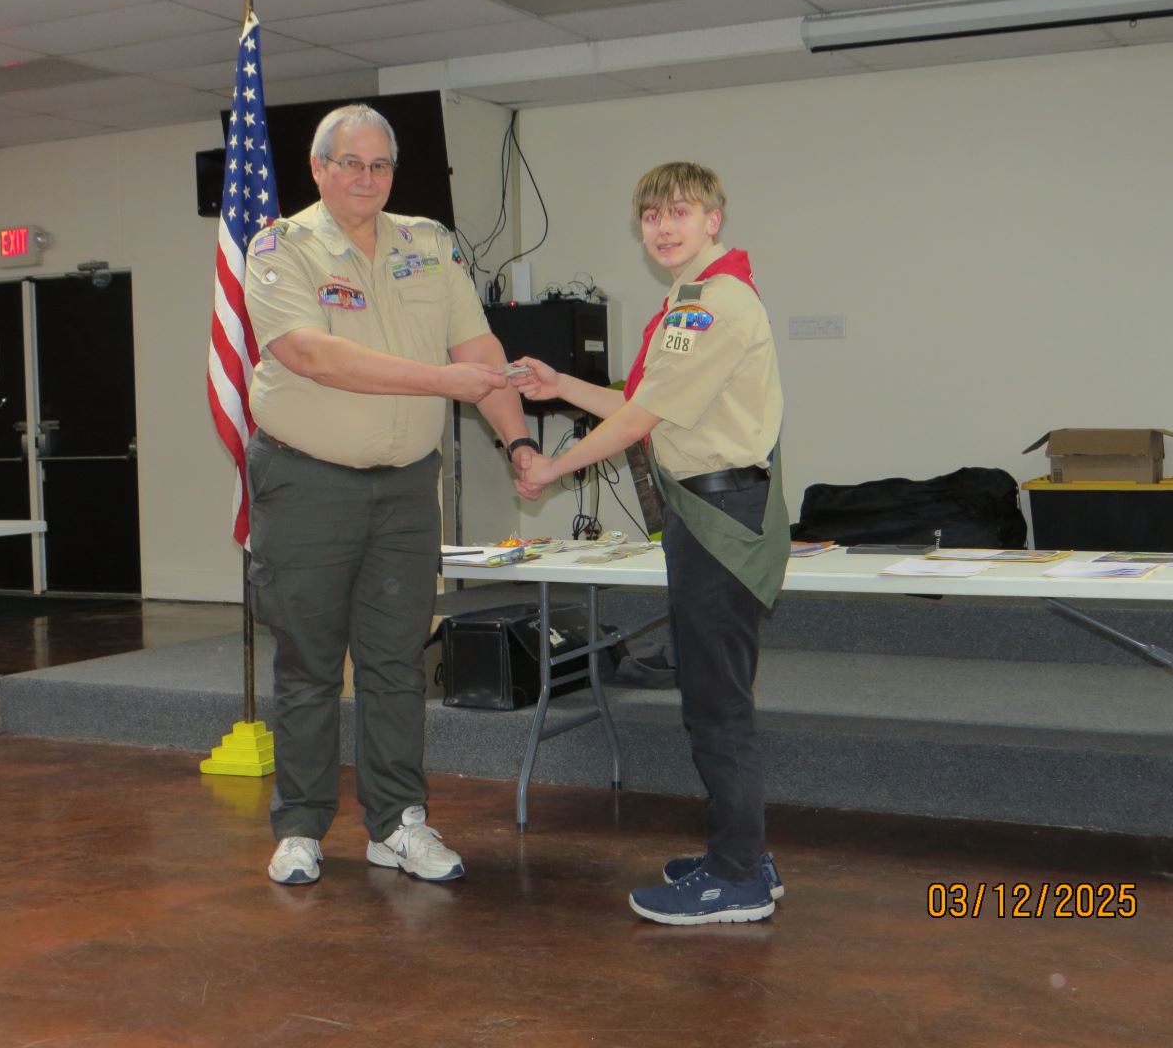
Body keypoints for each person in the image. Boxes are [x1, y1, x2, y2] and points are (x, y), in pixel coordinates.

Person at [242, 104, 540, 887]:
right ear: (318, 168)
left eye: (379, 165)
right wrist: (440, 379)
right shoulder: (281, 248)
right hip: (306, 482)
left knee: (397, 662)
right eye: (349, 163)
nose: (366, 178)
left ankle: (397, 823)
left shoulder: (429, 245)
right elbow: (314, 355)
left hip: (407, 488)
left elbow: (479, 349)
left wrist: (518, 443)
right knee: (309, 663)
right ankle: (300, 827)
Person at [512, 162, 789, 925]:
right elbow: (644, 402)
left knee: (717, 704)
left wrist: (552, 469)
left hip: (718, 515)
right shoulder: (690, 298)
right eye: (651, 216)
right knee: (712, 694)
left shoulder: (712, 305)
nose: (663, 228)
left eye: (679, 213)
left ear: (713, 219)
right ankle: (742, 856)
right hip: (708, 510)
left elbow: (637, 421)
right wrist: (561, 385)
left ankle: (737, 876)